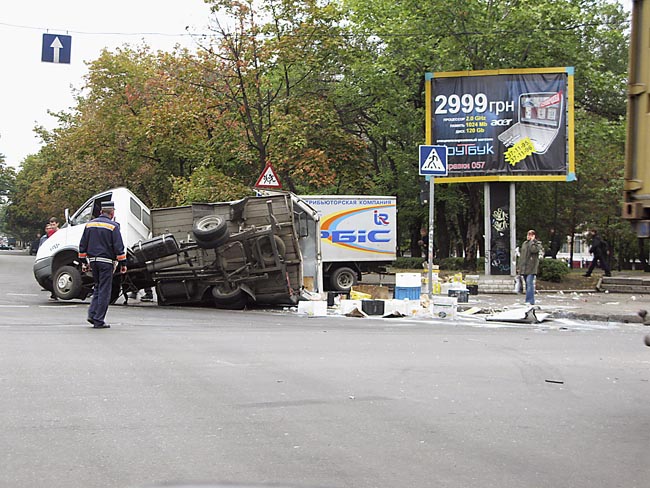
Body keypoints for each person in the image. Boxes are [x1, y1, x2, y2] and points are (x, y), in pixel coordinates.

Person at [78, 201, 127, 329]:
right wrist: (123, 263)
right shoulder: (113, 226)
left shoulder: (89, 225)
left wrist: (84, 262)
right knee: (105, 290)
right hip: (106, 262)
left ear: (101, 212)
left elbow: (82, 245)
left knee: (98, 287)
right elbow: (118, 247)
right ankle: (99, 319)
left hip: (93, 261)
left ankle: (92, 314)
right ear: (112, 213)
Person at [517, 229, 543, 305]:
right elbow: (522, 256)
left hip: (531, 268)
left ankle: (530, 301)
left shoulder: (537, 244)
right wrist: (519, 267)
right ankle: (528, 299)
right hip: (524, 268)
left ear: (534, 236)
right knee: (527, 284)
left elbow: (533, 250)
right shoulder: (524, 243)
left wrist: (532, 241)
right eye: (528, 235)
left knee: (529, 283)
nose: (528, 236)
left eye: (530, 235)